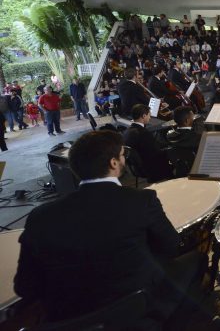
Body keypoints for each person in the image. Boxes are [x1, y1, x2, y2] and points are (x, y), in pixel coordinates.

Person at [14, 130, 207, 328]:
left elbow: (24, 287)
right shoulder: (141, 201)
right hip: (132, 312)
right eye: (123, 155)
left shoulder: (40, 217)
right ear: (114, 163)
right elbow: (171, 247)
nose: (124, 159)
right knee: (197, 258)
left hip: (67, 322)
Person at [123, 104, 173, 182]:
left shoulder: (127, 131)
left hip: (136, 168)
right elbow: (155, 152)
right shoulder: (143, 133)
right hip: (150, 168)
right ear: (144, 116)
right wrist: (169, 147)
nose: (150, 118)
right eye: (149, 115)